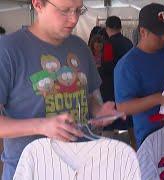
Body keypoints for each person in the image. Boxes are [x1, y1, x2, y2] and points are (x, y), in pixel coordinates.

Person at [0, 0, 122, 179]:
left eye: (78, 10)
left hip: (80, 167)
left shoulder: (80, 47)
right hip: (31, 171)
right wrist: (42, 125)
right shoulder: (8, 49)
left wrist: (99, 111)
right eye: (65, 11)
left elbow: (86, 96)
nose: (73, 19)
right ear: (38, 4)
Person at [114, 3, 164, 148]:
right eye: (159, 34)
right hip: (151, 139)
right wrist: (159, 99)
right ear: (143, 32)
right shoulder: (127, 65)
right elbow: (123, 108)